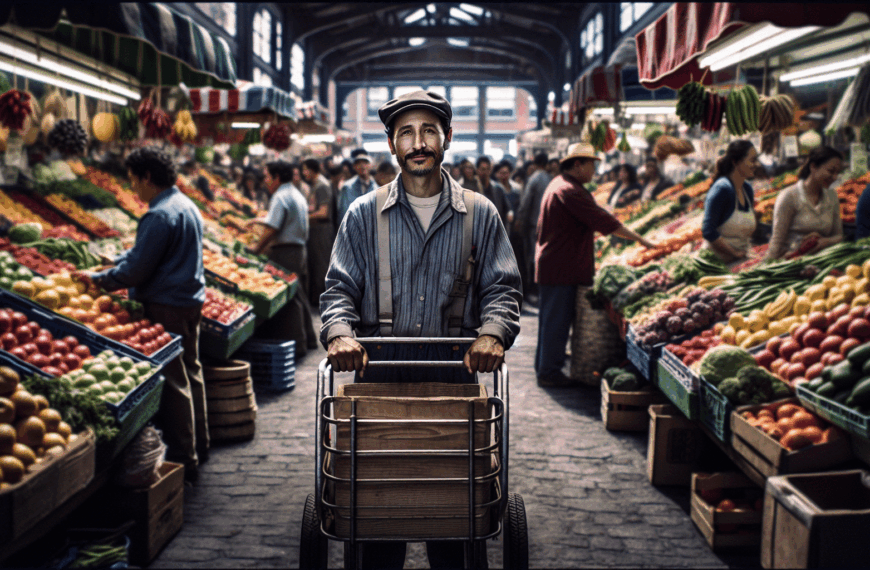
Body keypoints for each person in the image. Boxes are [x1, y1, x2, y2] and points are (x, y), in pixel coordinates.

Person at [321, 89, 521, 570]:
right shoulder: (362, 214)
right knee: (374, 521)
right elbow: (338, 289)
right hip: (376, 381)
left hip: (455, 381)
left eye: (429, 131)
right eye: (406, 132)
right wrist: (340, 332)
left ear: (447, 139)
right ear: (392, 144)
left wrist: (493, 332)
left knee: (454, 524)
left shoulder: (481, 213)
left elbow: (503, 288)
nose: (418, 142)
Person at [86, 147, 208, 483]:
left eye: (133, 181)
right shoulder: (184, 204)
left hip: (165, 304)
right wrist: (119, 258)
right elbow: (147, 253)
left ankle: (186, 458)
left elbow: (137, 272)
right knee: (191, 371)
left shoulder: (157, 215)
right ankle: (202, 444)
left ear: (146, 178)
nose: (132, 189)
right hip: (190, 300)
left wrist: (99, 280)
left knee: (172, 381)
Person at [535, 143, 656, 387]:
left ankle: (546, 366)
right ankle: (549, 372)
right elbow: (602, 220)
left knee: (551, 322)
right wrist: (641, 239)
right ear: (578, 165)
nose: (595, 170)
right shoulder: (570, 190)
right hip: (561, 268)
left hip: (557, 264)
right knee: (556, 323)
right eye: (592, 164)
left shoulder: (561, 185)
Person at [246, 161, 318, 355]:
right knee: (298, 293)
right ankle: (309, 338)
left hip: (286, 252)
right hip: (298, 250)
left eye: (267, 176)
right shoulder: (294, 193)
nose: (265, 181)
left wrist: (256, 249)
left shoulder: (280, 196)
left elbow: (273, 228)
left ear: (277, 177)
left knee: (290, 298)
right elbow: (278, 221)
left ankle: (298, 345)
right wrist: (258, 221)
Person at [766, 146, 845, 260]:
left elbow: (839, 236)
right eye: (831, 171)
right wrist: (768, 269)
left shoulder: (832, 196)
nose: (835, 177)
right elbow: (777, 241)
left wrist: (826, 241)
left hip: (821, 263)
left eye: (837, 173)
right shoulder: (789, 196)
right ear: (813, 167)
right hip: (791, 264)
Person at [702, 140, 759, 264]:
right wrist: (734, 253)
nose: (756, 164)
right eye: (752, 160)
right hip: (716, 265)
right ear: (736, 162)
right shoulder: (722, 188)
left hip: (739, 261)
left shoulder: (747, 189)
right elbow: (708, 231)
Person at [515, 152, 552, 302]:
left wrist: (519, 220)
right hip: (548, 224)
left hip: (533, 225)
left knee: (531, 257)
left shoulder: (534, 179)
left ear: (535, 164)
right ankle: (542, 289)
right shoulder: (550, 179)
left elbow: (525, 203)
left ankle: (533, 289)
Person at [301, 158, 336, 307]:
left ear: (312, 169)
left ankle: (324, 301)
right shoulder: (316, 185)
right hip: (315, 231)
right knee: (315, 265)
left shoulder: (321, 186)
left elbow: (323, 213)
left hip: (322, 231)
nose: (303, 173)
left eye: (305, 169)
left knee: (321, 265)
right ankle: (316, 299)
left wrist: (303, 217)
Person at [496, 160, 528, 297]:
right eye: (501, 173)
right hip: (499, 232)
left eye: (506, 172)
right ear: (497, 174)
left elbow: (522, 207)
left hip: (515, 232)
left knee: (517, 262)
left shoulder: (517, 189)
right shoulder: (495, 189)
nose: (504, 175)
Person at [337, 151, 377, 224]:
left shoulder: (377, 188)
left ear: (370, 165)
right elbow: (343, 213)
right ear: (354, 167)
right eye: (358, 163)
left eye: (365, 162)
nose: (362, 166)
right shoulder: (347, 187)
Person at [475, 155, 513, 228]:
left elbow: (507, 207)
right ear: (477, 170)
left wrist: (510, 214)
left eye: (487, 169)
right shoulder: (473, 189)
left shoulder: (497, 188)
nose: (485, 172)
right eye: (483, 169)